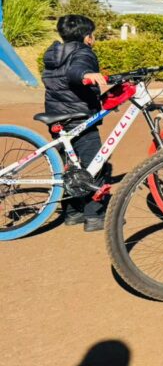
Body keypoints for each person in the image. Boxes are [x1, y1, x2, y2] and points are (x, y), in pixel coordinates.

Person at [41, 15, 109, 232]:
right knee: (95, 165)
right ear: (87, 37)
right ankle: (94, 215)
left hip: (57, 117)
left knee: (69, 167)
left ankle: (73, 212)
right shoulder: (83, 52)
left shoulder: (54, 53)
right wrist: (87, 74)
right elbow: (75, 72)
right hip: (79, 118)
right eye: (93, 34)